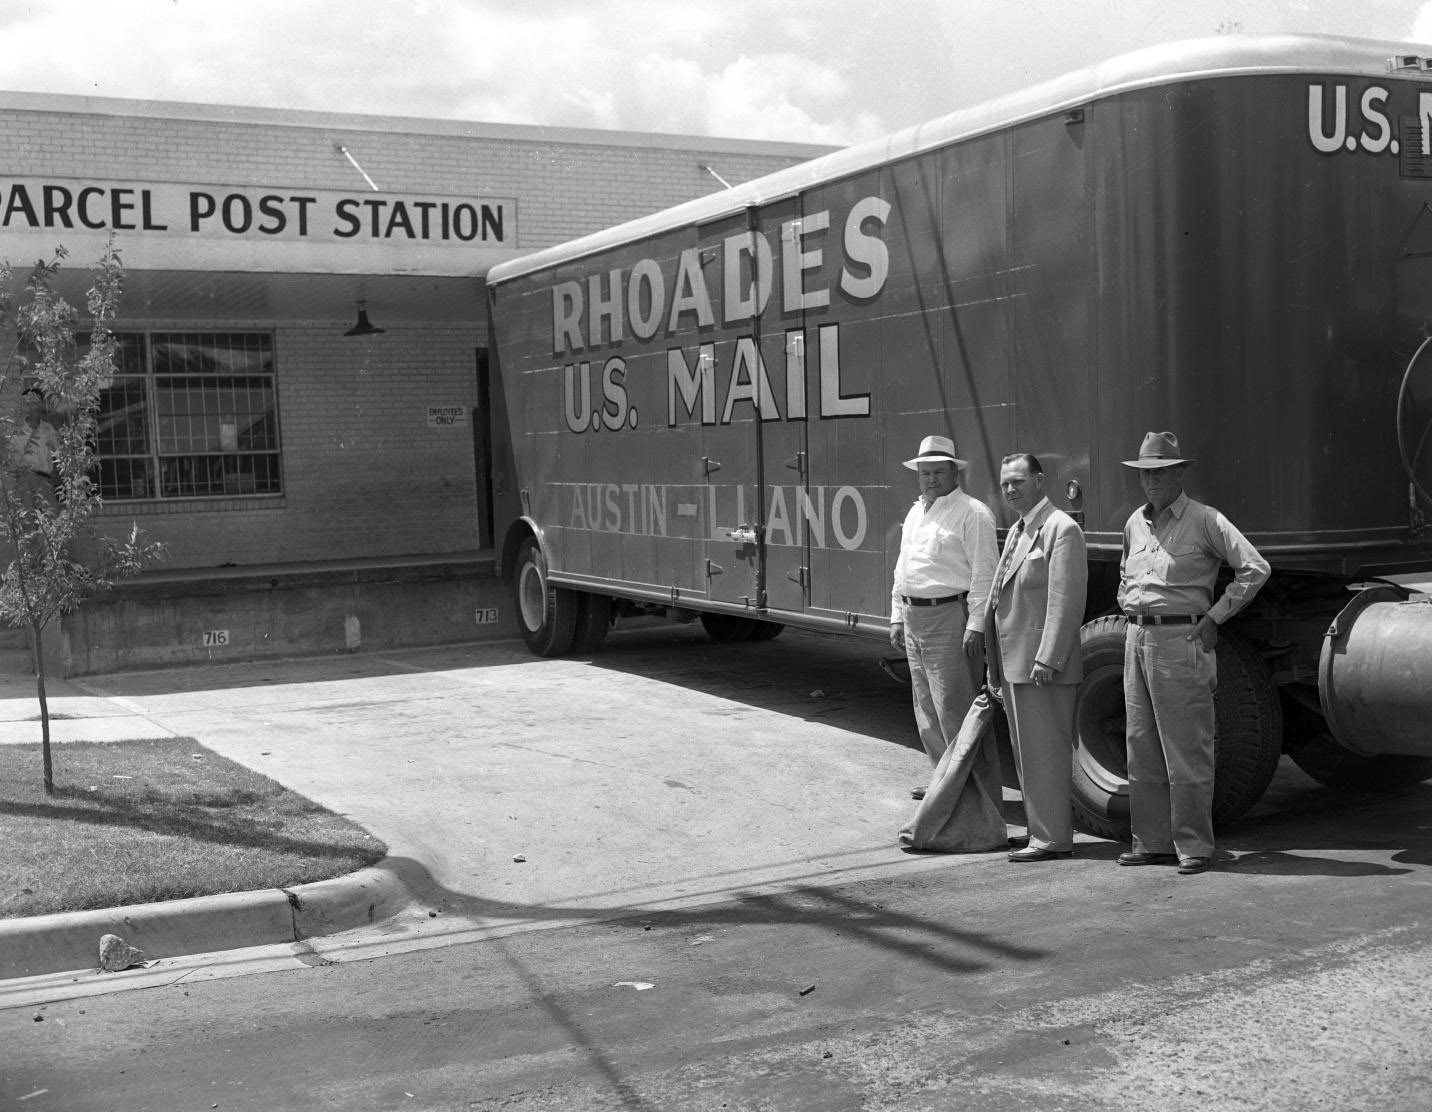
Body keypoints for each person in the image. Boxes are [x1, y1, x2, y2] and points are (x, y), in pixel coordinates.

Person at [1116, 431, 1270, 876]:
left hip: (1181, 642)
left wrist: (1215, 617)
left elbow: (1255, 568)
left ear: (1179, 473)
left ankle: (1195, 847)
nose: (1153, 481)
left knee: (1186, 748)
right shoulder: (1134, 523)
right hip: (1137, 639)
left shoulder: (1205, 520)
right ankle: (1151, 842)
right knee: (1140, 746)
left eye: (1162, 472)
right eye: (1146, 474)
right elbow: (1126, 574)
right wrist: (1128, 606)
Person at [984, 453, 1088, 862]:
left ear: (1040, 482)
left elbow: (1065, 601)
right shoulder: (1018, 530)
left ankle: (1052, 838)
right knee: (1027, 753)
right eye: (1005, 483)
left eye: (1018, 482)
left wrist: (1049, 659)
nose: (1010, 490)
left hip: (1041, 666)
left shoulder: (1060, 529)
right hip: (1015, 664)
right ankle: (1040, 831)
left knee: (1045, 753)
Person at [890, 434, 998, 797]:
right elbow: (903, 566)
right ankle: (944, 784)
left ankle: (972, 792)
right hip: (914, 617)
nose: (931, 479)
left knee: (956, 710)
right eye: (925, 473)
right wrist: (896, 615)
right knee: (926, 711)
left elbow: (986, 574)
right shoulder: (916, 511)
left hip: (950, 616)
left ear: (955, 473)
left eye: (938, 472)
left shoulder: (973, 513)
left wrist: (976, 624)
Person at [6, 387, 59, 510]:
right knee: (28, 524)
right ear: (25, 405)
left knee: (51, 518)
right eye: (30, 403)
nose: (34, 406)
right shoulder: (17, 432)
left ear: (41, 405)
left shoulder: (48, 429)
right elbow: (10, 464)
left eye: (37, 402)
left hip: (45, 480)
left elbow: (60, 454)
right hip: (24, 482)